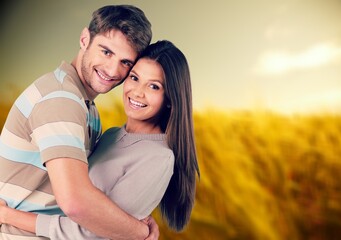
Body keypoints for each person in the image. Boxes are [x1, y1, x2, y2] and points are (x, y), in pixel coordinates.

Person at [0, 40, 200, 239]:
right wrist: (137, 227)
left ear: (170, 99)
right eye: (134, 78)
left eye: (154, 87)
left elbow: (90, 233)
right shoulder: (111, 135)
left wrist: (9, 216)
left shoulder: (157, 157)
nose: (137, 92)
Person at [0, 5, 159, 240]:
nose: (112, 70)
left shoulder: (86, 107)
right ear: (85, 39)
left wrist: (135, 219)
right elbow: (75, 202)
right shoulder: (61, 99)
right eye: (106, 52)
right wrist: (138, 232)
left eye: (125, 62)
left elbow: (92, 191)